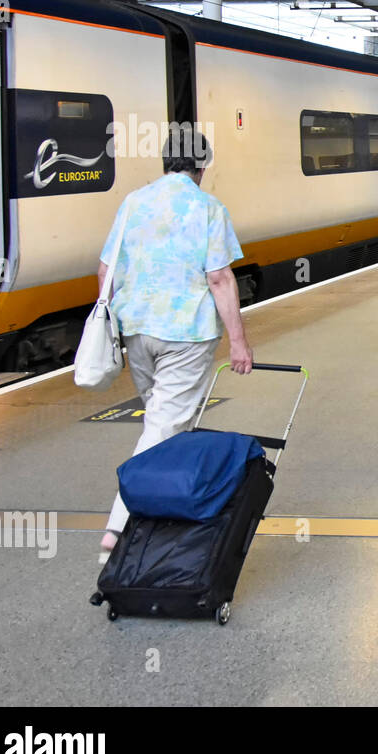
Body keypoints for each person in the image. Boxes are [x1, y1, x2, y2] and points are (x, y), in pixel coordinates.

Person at [96, 129, 253, 562]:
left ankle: (159, 518)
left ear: (165, 161)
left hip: (137, 330)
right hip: (186, 335)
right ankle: (119, 522)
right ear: (201, 167)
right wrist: (239, 343)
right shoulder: (207, 207)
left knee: (162, 422)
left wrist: (111, 322)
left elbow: (107, 267)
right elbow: (219, 278)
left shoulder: (134, 202)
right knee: (162, 427)